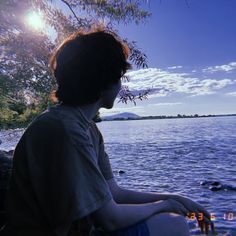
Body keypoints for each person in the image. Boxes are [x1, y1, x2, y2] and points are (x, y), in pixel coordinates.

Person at [1, 27, 215, 236]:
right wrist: (164, 206)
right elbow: (110, 219)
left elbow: (115, 193)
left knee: (171, 219)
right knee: (173, 225)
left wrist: (177, 199)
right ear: (103, 81)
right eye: (119, 77)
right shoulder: (65, 130)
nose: (121, 85)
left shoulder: (86, 128)